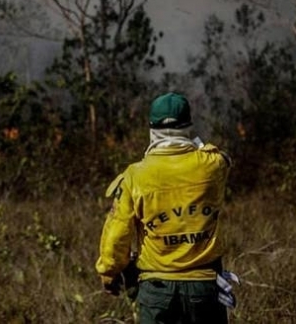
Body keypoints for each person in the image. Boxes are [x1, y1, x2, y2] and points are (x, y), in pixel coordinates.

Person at [96, 92, 233, 324]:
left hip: (157, 290)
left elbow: (117, 233)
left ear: (152, 129)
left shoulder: (134, 176)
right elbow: (224, 158)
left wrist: (109, 273)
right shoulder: (213, 165)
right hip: (205, 287)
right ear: (188, 126)